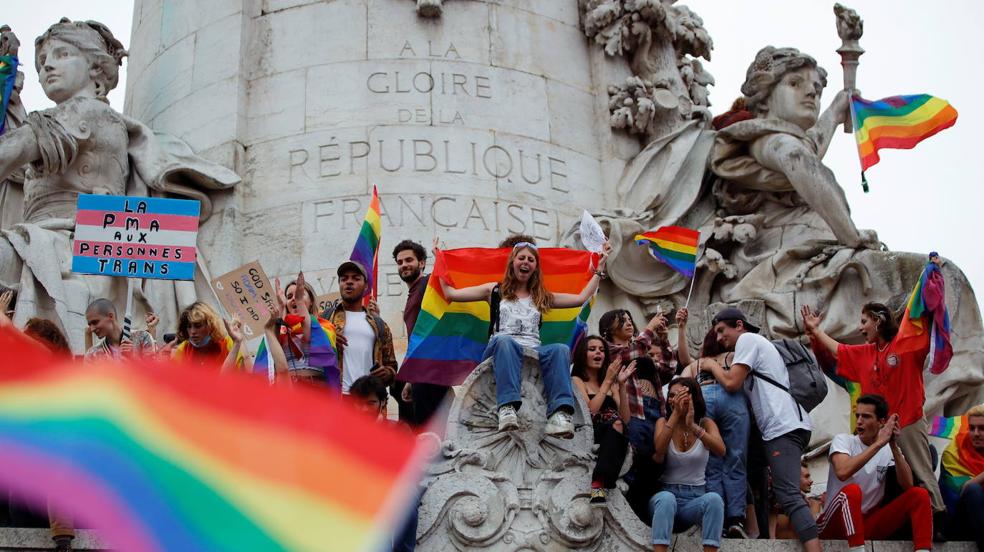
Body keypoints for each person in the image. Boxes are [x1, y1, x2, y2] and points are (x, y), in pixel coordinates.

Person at [0, 20, 239, 351]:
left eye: (62, 54)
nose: (47, 67)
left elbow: (10, 154)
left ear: (96, 68)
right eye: (42, 62)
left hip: (68, 243)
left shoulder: (85, 112)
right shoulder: (68, 119)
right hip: (56, 241)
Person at [438, 241, 608, 437]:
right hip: (500, 347)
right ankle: (507, 407)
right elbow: (450, 294)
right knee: (505, 341)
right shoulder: (495, 291)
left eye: (531, 259)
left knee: (560, 349)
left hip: (533, 348)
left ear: (535, 267)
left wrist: (599, 270)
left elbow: (580, 299)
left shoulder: (541, 297)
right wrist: (440, 263)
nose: (526, 262)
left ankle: (559, 414)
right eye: (522, 258)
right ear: (513, 262)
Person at [803, 301, 947, 524]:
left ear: (878, 321)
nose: (860, 328)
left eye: (864, 321)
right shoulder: (865, 353)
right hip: (877, 429)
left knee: (920, 471)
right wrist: (815, 331)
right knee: (882, 477)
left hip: (908, 420)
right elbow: (838, 350)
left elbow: (924, 322)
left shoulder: (905, 344)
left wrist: (929, 288)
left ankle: (937, 516)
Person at [706, 307, 819, 551]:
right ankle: (754, 529)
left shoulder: (747, 340)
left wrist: (711, 365)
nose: (719, 337)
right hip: (777, 429)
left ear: (739, 325)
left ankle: (814, 548)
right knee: (745, 465)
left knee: (788, 494)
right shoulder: (755, 345)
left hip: (782, 428)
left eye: (722, 330)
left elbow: (732, 383)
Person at [817, 394, 932, 552]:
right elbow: (843, 472)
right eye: (857, 416)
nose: (859, 421)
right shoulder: (844, 440)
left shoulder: (887, 448)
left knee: (919, 494)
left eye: (866, 416)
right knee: (852, 491)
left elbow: (908, 485)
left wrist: (893, 446)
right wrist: (878, 444)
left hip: (866, 523)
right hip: (834, 524)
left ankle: (923, 550)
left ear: (881, 422)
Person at [676, 307, 751, 538]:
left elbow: (683, 374)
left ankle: (717, 520)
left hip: (704, 400)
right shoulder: (733, 356)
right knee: (736, 459)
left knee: (711, 464)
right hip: (734, 402)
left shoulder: (699, 364)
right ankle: (736, 519)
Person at [649, 377, 726, 552]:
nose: (674, 400)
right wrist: (676, 415)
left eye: (680, 395)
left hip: (694, 498)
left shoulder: (705, 423)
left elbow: (721, 450)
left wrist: (693, 426)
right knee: (666, 500)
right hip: (665, 494)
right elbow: (659, 449)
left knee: (714, 500)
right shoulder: (663, 422)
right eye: (671, 395)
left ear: (693, 398)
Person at [393, 240, 451, 427]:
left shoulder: (427, 284)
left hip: (431, 371)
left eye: (409, 260)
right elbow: (415, 338)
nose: (404, 265)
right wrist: (411, 378)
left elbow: (448, 286)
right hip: (421, 372)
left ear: (422, 263)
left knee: (428, 433)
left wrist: (441, 259)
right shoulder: (413, 293)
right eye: (400, 262)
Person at [571, 336, 634, 503]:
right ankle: (599, 482)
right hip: (591, 430)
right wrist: (607, 382)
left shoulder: (612, 384)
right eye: (592, 349)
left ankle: (601, 482)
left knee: (619, 424)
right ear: (582, 355)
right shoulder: (577, 380)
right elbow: (589, 412)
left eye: (601, 350)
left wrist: (621, 385)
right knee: (617, 425)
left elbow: (625, 418)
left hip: (615, 429)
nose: (598, 353)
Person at [326, 260, 398, 394]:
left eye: (356, 278)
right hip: (334, 398)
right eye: (344, 279)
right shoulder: (325, 319)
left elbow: (392, 366)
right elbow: (308, 354)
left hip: (367, 399)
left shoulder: (379, 325)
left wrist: (387, 373)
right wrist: (327, 341)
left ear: (366, 286)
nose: (349, 282)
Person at [941, 404, 984, 548]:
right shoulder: (954, 453)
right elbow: (963, 490)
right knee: (973, 490)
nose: (976, 433)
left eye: (982, 428)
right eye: (972, 428)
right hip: (960, 521)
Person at [171, 301, 244, 371]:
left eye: (198, 326)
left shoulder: (227, 344)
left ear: (210, 325)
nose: (192, 331)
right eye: (189, 327)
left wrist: (237, 343)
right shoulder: (184, 348)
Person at [83, 298, 156, 361]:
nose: (92, 329)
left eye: (95, 322)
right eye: (90, 325)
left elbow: (155, 370)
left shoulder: (142, 338)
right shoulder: (92, 355)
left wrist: (134, 359)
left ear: (110, 316)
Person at [772, 461, 822, 539]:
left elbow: (808, 533)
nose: (811, 480)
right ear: (793, 479)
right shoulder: (774, 503)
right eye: (806, 477)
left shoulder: (813, 504)